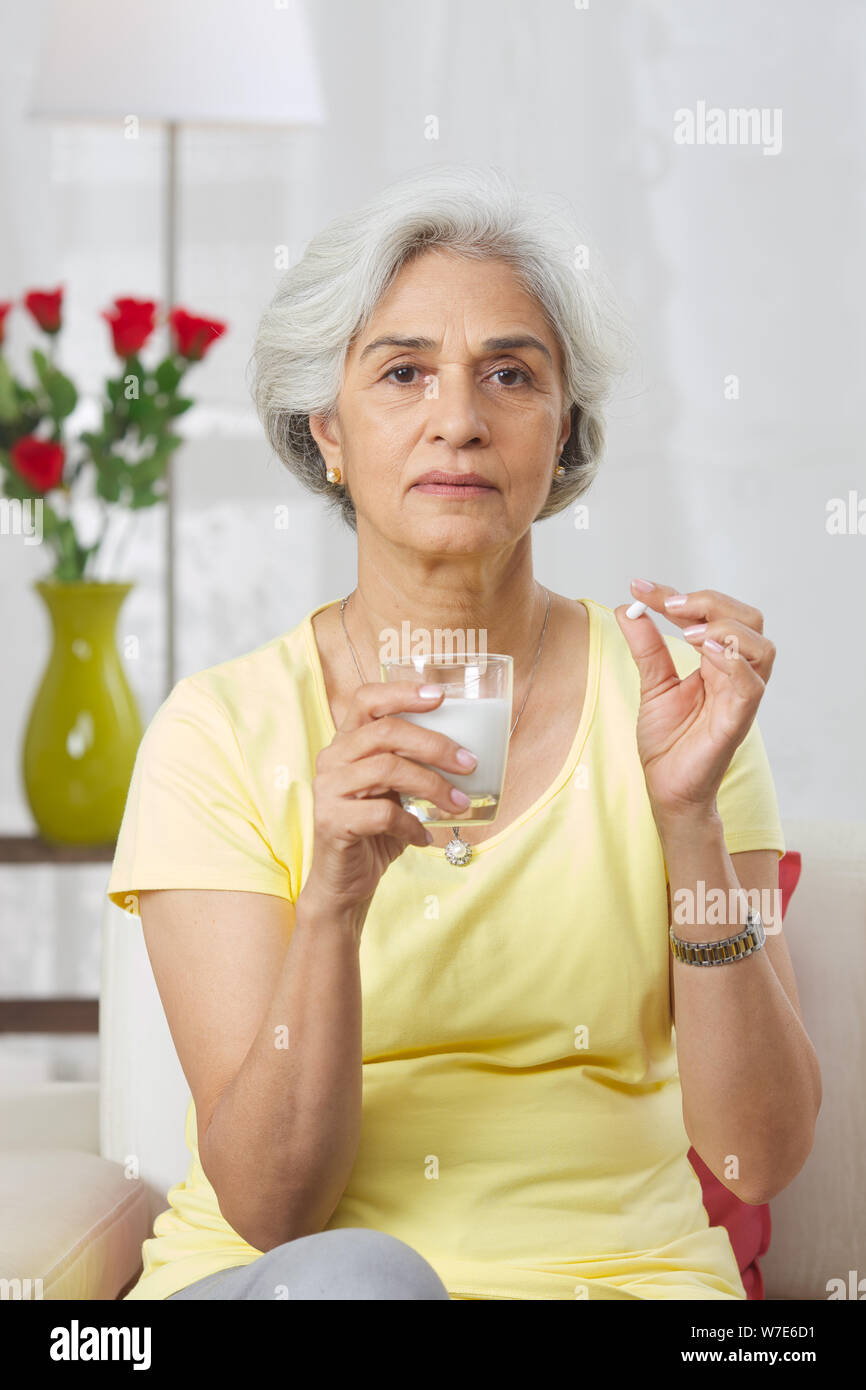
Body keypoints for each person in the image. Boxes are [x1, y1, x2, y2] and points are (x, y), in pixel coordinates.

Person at [107, 163, 821, 1301]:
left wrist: (687, 822)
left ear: (563, 429)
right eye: (403, 372)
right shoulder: (220, 730)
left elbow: (757, 1154)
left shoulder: (674, 699)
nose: (458, 419)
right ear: (326, 430)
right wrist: (333, 899)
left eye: (508, 374)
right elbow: (273, 1207)